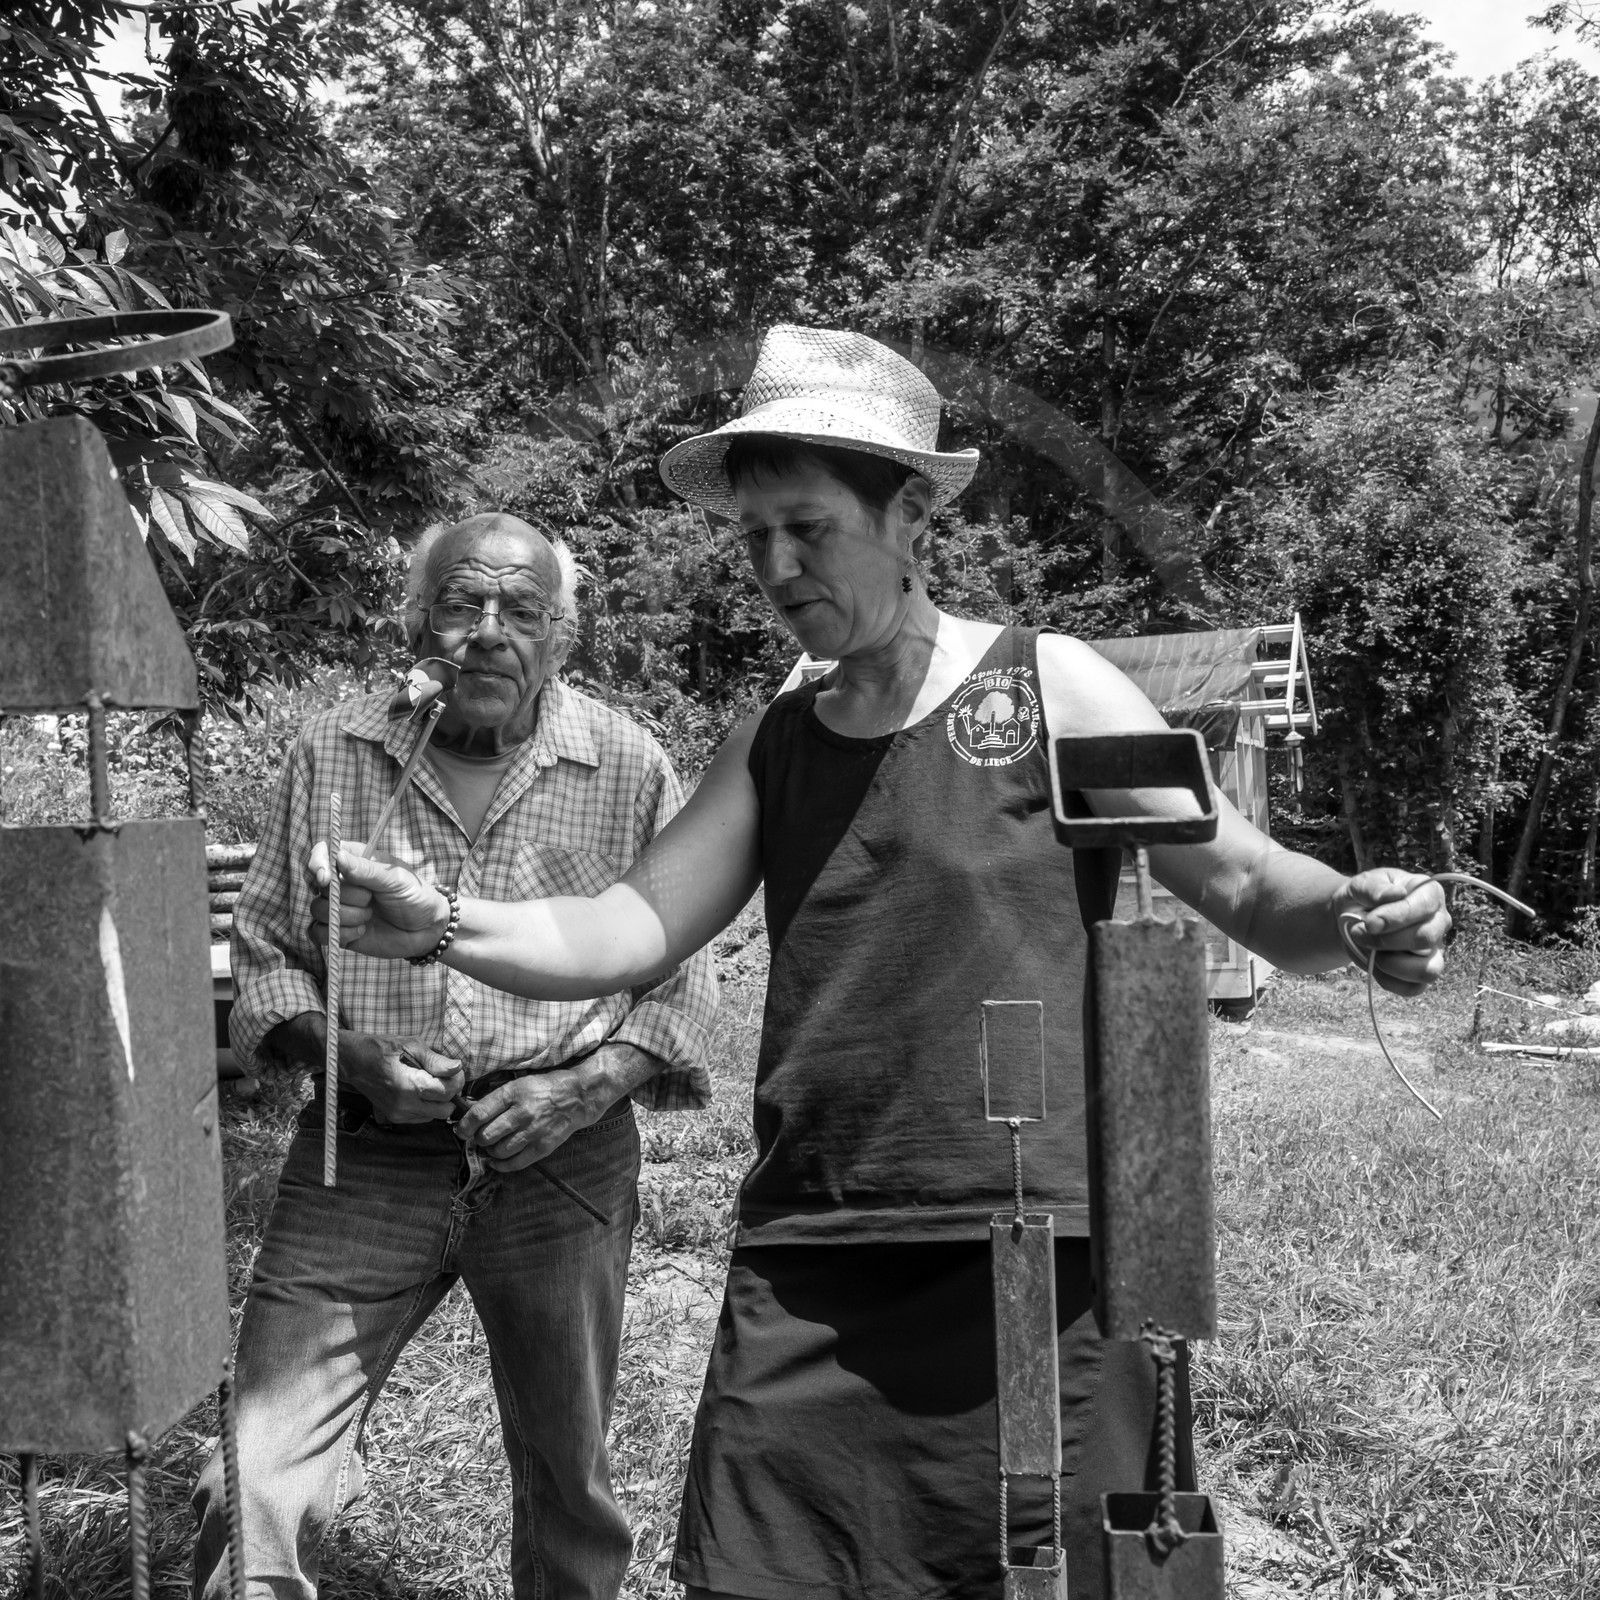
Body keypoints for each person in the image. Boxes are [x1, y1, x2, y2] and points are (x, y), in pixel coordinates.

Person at [306, 328, 1451, 1599]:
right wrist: (444, 919)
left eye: (808, 528)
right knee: (757, 1571)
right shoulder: (772, 742)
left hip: (1029, 1258)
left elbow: (1239, 882)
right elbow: (624, 927)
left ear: (910, 514)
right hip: (815, 1244)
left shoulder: (1050, 691)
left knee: (1038, 1578)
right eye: (753, 539)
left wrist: (1356, 912)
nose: (777, 568)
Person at [191, 512, 718, 1600]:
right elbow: (269, 953)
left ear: (563, 636)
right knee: (256, 1464)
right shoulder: (337, 750)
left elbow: (678, 975)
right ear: (416, 619)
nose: (486, 633)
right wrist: (349, 1057)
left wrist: (584, 1089)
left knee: (570, 1475)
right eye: (459, 604)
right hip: (366, 1148)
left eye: (520, 611)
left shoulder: (626, 761)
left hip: (560, 1156)